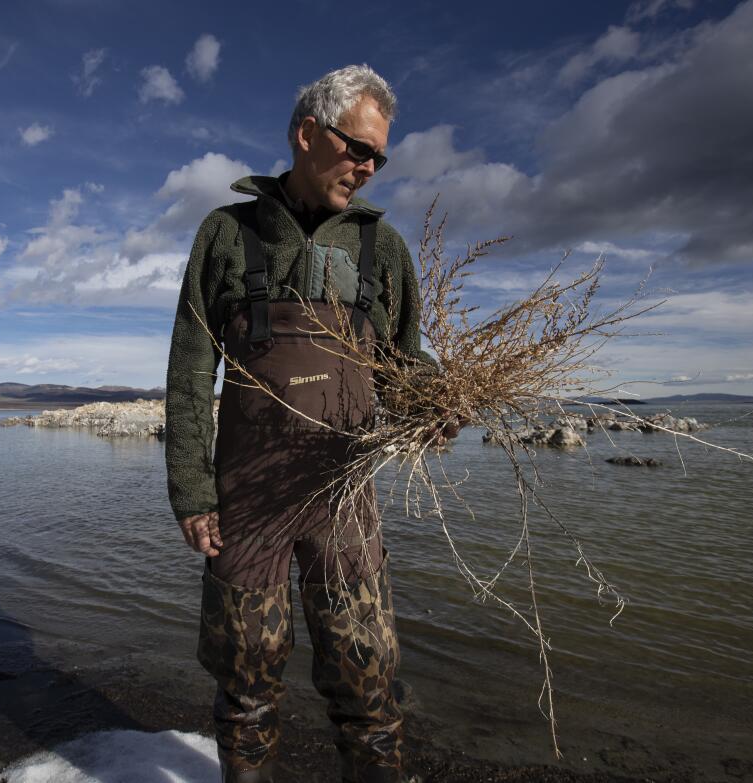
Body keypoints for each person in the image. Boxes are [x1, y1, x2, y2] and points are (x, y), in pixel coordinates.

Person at [165, 64, 453, 783]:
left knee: (369, 690)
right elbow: (192, 368)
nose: (369, 168)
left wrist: (434, 406)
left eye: (379, 157)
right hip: (247, 502)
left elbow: (402, 363)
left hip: (344, 501)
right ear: (305, 134)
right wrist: (192, 492)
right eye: (359, 148)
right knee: (246, 690)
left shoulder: (382, 250)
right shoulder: (227, 234)